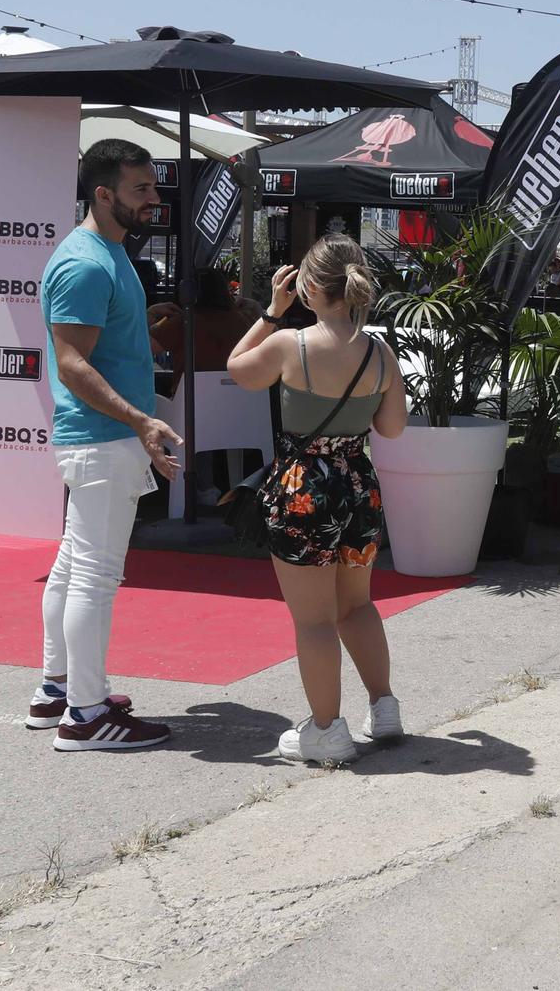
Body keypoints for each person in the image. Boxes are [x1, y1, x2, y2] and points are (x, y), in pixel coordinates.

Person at [227, 235, 408, 766]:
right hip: (358, 486)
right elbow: (392, 428)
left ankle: (326, 730)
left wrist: (269, 313)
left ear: (307, 288)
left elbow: (237, 368)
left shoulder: (292, 345)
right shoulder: (380, 352)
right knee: (358, 604)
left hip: (305, 489)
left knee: (313, 620)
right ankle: (385, 705)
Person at [33, 140, 181, 751]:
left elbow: (97, 346)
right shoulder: (87, 262)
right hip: (103, 439)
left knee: (74, 567)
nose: (154, 199)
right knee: (94, 575)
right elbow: (71, 363)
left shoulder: (107, 254)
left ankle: (58, 693)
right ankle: (86, 715)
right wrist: (142, 423)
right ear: (103, 193)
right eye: (141, 189)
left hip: (100, 439)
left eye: (153, 186)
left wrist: (142, 329)